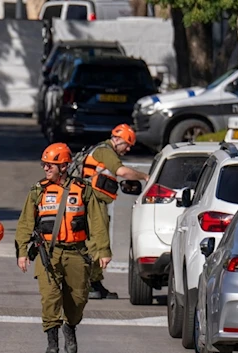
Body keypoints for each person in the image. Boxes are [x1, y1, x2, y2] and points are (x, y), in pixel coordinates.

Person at [15, 142, 111, 353]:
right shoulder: (37, 191)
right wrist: (22, 252)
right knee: (50, 298)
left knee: (77, 300)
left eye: (51, 165)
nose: (46, 168)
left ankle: (70, 326)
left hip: (76, 252)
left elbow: (97, 220)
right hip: (47, 254)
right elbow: (24, 224)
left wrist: (103, 249)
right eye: (44, 164)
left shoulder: (83, 190)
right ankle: (52, 344)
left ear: (65, 166)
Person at [81, 124, 150, 300]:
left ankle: (94, 283)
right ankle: (88, 283)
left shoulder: (102, 151)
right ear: (117, 139)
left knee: (95, 241)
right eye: (127, 144)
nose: (128, 149)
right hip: (93, 201)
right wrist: (145, 177)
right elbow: (122, 171)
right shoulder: (105, 151)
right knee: (97, 240)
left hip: (92, 200)